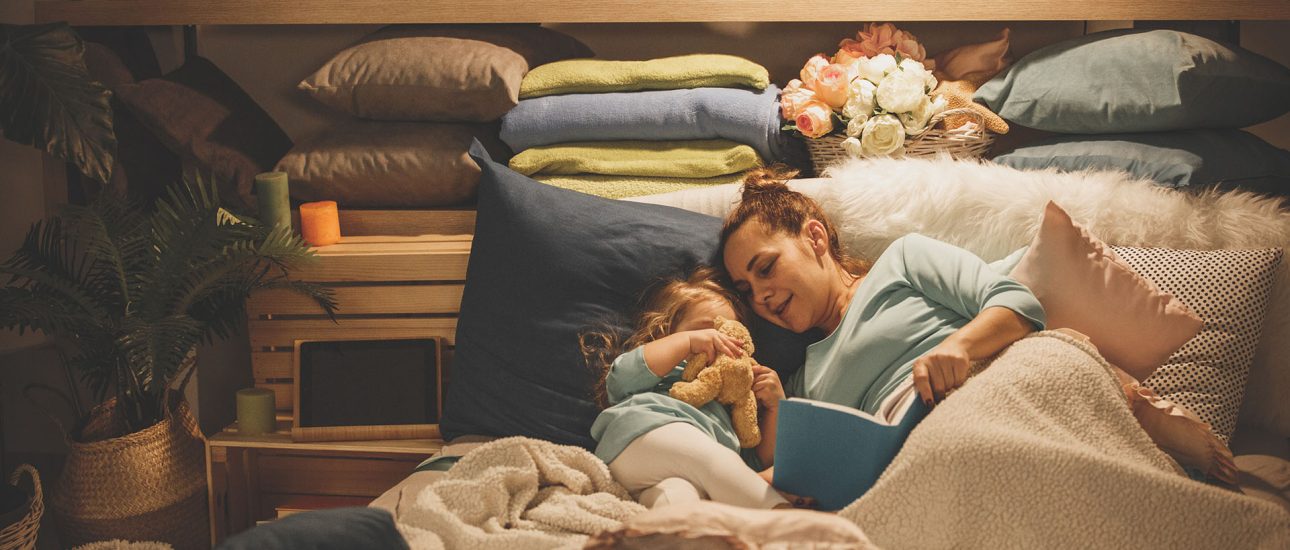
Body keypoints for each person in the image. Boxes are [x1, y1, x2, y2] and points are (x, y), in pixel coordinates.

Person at [718, 165, 1237, 484]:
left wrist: (960, 349)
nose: (760, 295)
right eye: (746, 290)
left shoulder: (903, 260)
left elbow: (1016, 301)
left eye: (765, 268)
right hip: (924, 450)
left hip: (992, 382)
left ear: (814, 238)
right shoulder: (804, 377)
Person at [583, 266, 806, 509]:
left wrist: (775, 408)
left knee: (676, 497)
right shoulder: (665, 368)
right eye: (706, 329)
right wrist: (687, 342)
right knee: (714, 461)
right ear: (664, 333)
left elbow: (753, 463)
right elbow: (620, 378)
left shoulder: (731, 398)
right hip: (640, 437)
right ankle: (787, 519)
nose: (719, 341)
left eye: (730, 336)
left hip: (653, 477)